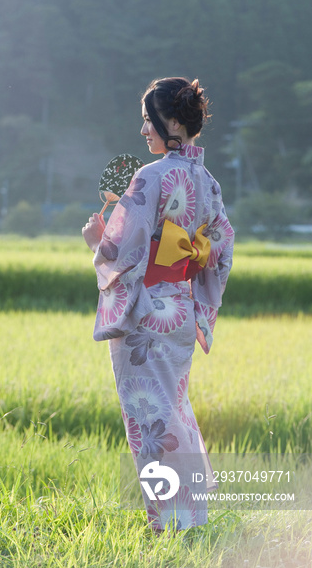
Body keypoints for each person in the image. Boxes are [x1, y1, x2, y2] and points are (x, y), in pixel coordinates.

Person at [82, 77, 234, 531]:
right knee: (173, 409)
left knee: (149, 420)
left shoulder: (150, 176)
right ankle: (191, 515)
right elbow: (220, 249)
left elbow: (124, 249)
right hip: (180, 309)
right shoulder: (207, 181)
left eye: (147, 121)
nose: (142, 130)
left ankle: (167, 523)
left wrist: (96, 242)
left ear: (171, 123)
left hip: (146, 310)